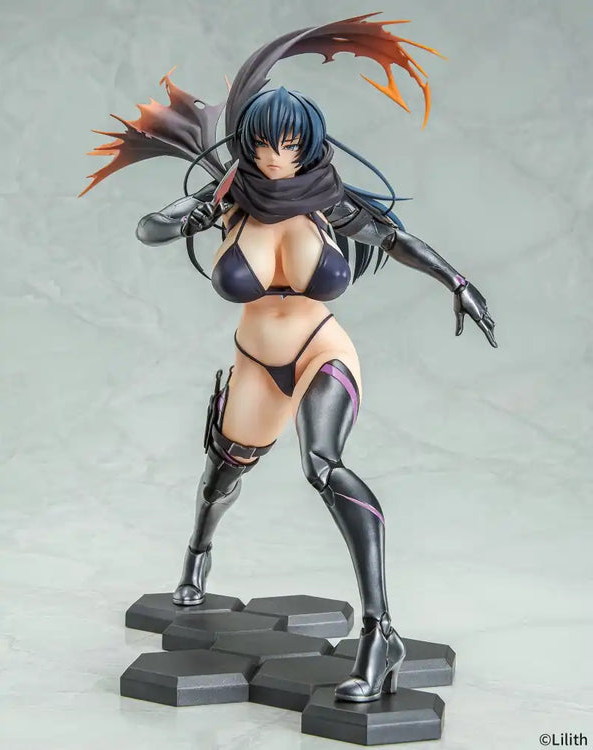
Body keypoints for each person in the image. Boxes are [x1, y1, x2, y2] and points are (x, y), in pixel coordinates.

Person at [81, 13, 496, 703]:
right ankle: (198, 554)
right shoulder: (229, 199)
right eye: (267, 144)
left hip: (320, 349)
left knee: (323, 466)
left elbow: (396, 239)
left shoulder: (328, 203)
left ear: (308, 145)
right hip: (255, 361)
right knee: (221, 473)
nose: (278, 158)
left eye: (291, 145)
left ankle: (380, 632)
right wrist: (193, 213)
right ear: (248, 142)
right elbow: (148, 228)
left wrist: (457, 281)